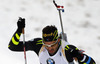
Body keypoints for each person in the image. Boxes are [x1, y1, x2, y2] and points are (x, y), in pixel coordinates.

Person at [8, 17, 96, 64]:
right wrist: (19, 30)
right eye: (46, 45)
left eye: (52, 45)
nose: (49, 48)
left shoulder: (67, 49)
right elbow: (12, 46)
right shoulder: (39, 45)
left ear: (58, 40)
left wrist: (80, 57)